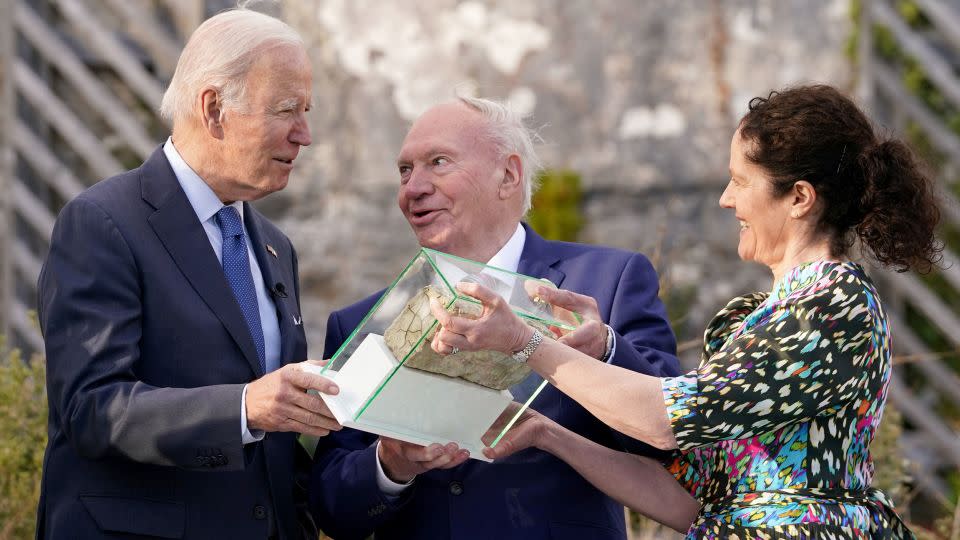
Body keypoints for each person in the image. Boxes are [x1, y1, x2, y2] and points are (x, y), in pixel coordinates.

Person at [430, 85, 935, 538]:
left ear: (799, 197)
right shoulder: (766, 315)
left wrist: (526, 342)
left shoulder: (831, 306)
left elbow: (664, 421)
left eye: (740, 181)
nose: (724, 199)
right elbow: (689, 501)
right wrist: (546, 432)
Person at [309, 96, 681, 539]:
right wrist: (389, 465)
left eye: (438, 162)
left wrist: (604, 348)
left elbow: (671, 438)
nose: (413, 188)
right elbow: (329, 510)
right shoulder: (359, 322)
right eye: (405, 171)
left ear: (508, 174)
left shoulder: (607, 281)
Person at [36, 9, 341, 540]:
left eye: (306, 111)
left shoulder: (275, 245)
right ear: (214, 108)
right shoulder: (103, 223)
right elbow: (91, 409)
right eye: (287, 109)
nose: (305, 135)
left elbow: (276, 446)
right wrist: (246, 407)